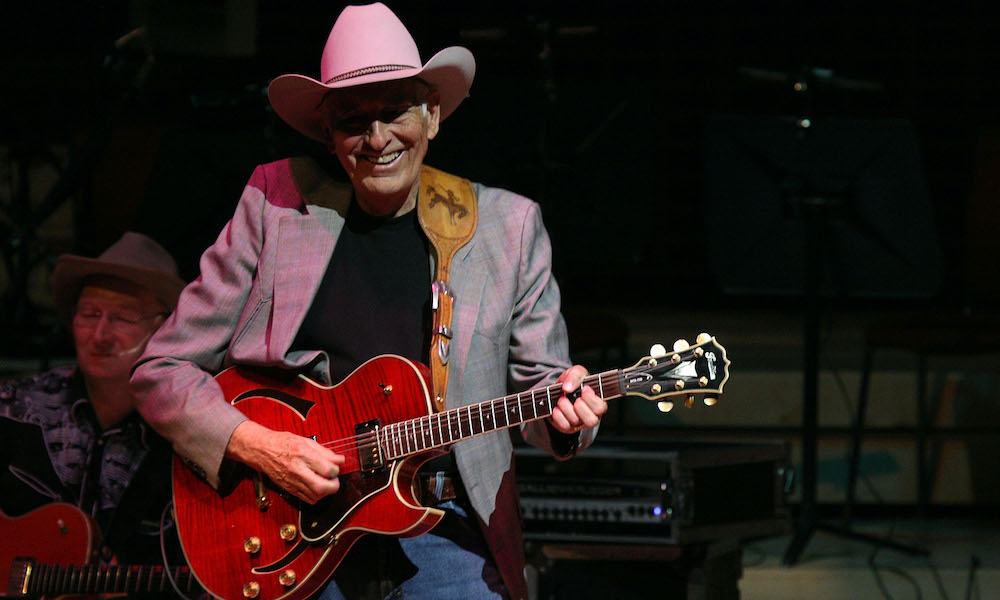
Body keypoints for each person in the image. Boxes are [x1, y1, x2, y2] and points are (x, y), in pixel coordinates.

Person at [130, 3, 608, 599]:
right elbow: (161, 370)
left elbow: (541, 386)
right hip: (290, 525)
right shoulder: (275, 204)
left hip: (445, 527)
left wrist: (565, 418)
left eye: (396, 112)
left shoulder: (505, 227)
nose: (377, 138)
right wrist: (254, 444)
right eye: (353, 121)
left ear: (433, 116)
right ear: (327, 137)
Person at [0, 232, 187, 572]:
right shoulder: (14, 408)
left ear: (165, 330)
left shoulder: (186, 435)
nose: (100, 336)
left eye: (123, 317)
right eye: (89, 313)